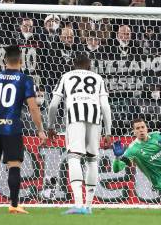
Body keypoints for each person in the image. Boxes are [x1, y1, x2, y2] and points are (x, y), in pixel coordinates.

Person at [0, 45, 47, 214]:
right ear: (21, 61)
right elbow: (33, 108)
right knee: (14, 165)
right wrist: (40, 129)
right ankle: (14, 205)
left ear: (4, 61)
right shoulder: (25, 79)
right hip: (11, 127)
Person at [47, 54, 112, 214]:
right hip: (95, 118)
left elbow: (53, 105)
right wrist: (108, 131)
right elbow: (105, 106)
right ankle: (89, 206)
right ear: (89, 66)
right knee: (92, 159)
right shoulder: (97, 78)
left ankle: (78, 204)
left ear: (73, 65)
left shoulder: (66, 76)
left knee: (74, 157)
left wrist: (50, 126)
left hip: (75, 116)